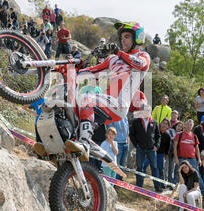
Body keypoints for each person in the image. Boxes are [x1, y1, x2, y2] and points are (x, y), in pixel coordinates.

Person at [35, 22, 150, 173]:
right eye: (122, 37)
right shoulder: (113, 60)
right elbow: (91, 72)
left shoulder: (142, 56)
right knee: (66, 104)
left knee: (86, 98)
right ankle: (54, 144)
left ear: (138, 38)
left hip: (119, 104)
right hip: (106, 104)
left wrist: (118, 52)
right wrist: (69, 71)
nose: (123, 40)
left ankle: (84, 144)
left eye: (127, 37)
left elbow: (141, 65)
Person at [129, 107, 161, 191]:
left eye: (148, 111)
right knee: (140, 167)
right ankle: (139, 187)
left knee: (154, 167)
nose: (146, 112)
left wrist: (156, 146)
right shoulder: (136, 121)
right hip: (140, 148)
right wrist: (136, 145)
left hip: (151, 149)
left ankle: (157, 186)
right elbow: (131, 134)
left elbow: (158, 136)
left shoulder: (154, 122)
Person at [173, 119, 204, 194]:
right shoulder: (179, 134)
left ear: (192, 126)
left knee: (197, 175)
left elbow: (197, 148)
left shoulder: (194, 136)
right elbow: (175, 147)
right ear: (185, 125)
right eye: (187, 124)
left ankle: (203, 193)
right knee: (177, 174)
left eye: (190, 125)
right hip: (181, 159)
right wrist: (176, 158)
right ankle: (173, 190)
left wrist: (199, 159)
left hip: (192, 159)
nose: (189, 126)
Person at [107, 116, 129, 181]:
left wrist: (127, 140)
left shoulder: (125, 116)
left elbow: (127, 129)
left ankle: (119, 182)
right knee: (116, 165)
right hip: (117, 143)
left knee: (122, 164)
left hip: (125, 143)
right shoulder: (113, 116)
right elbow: (110, 130)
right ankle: (115, 183)